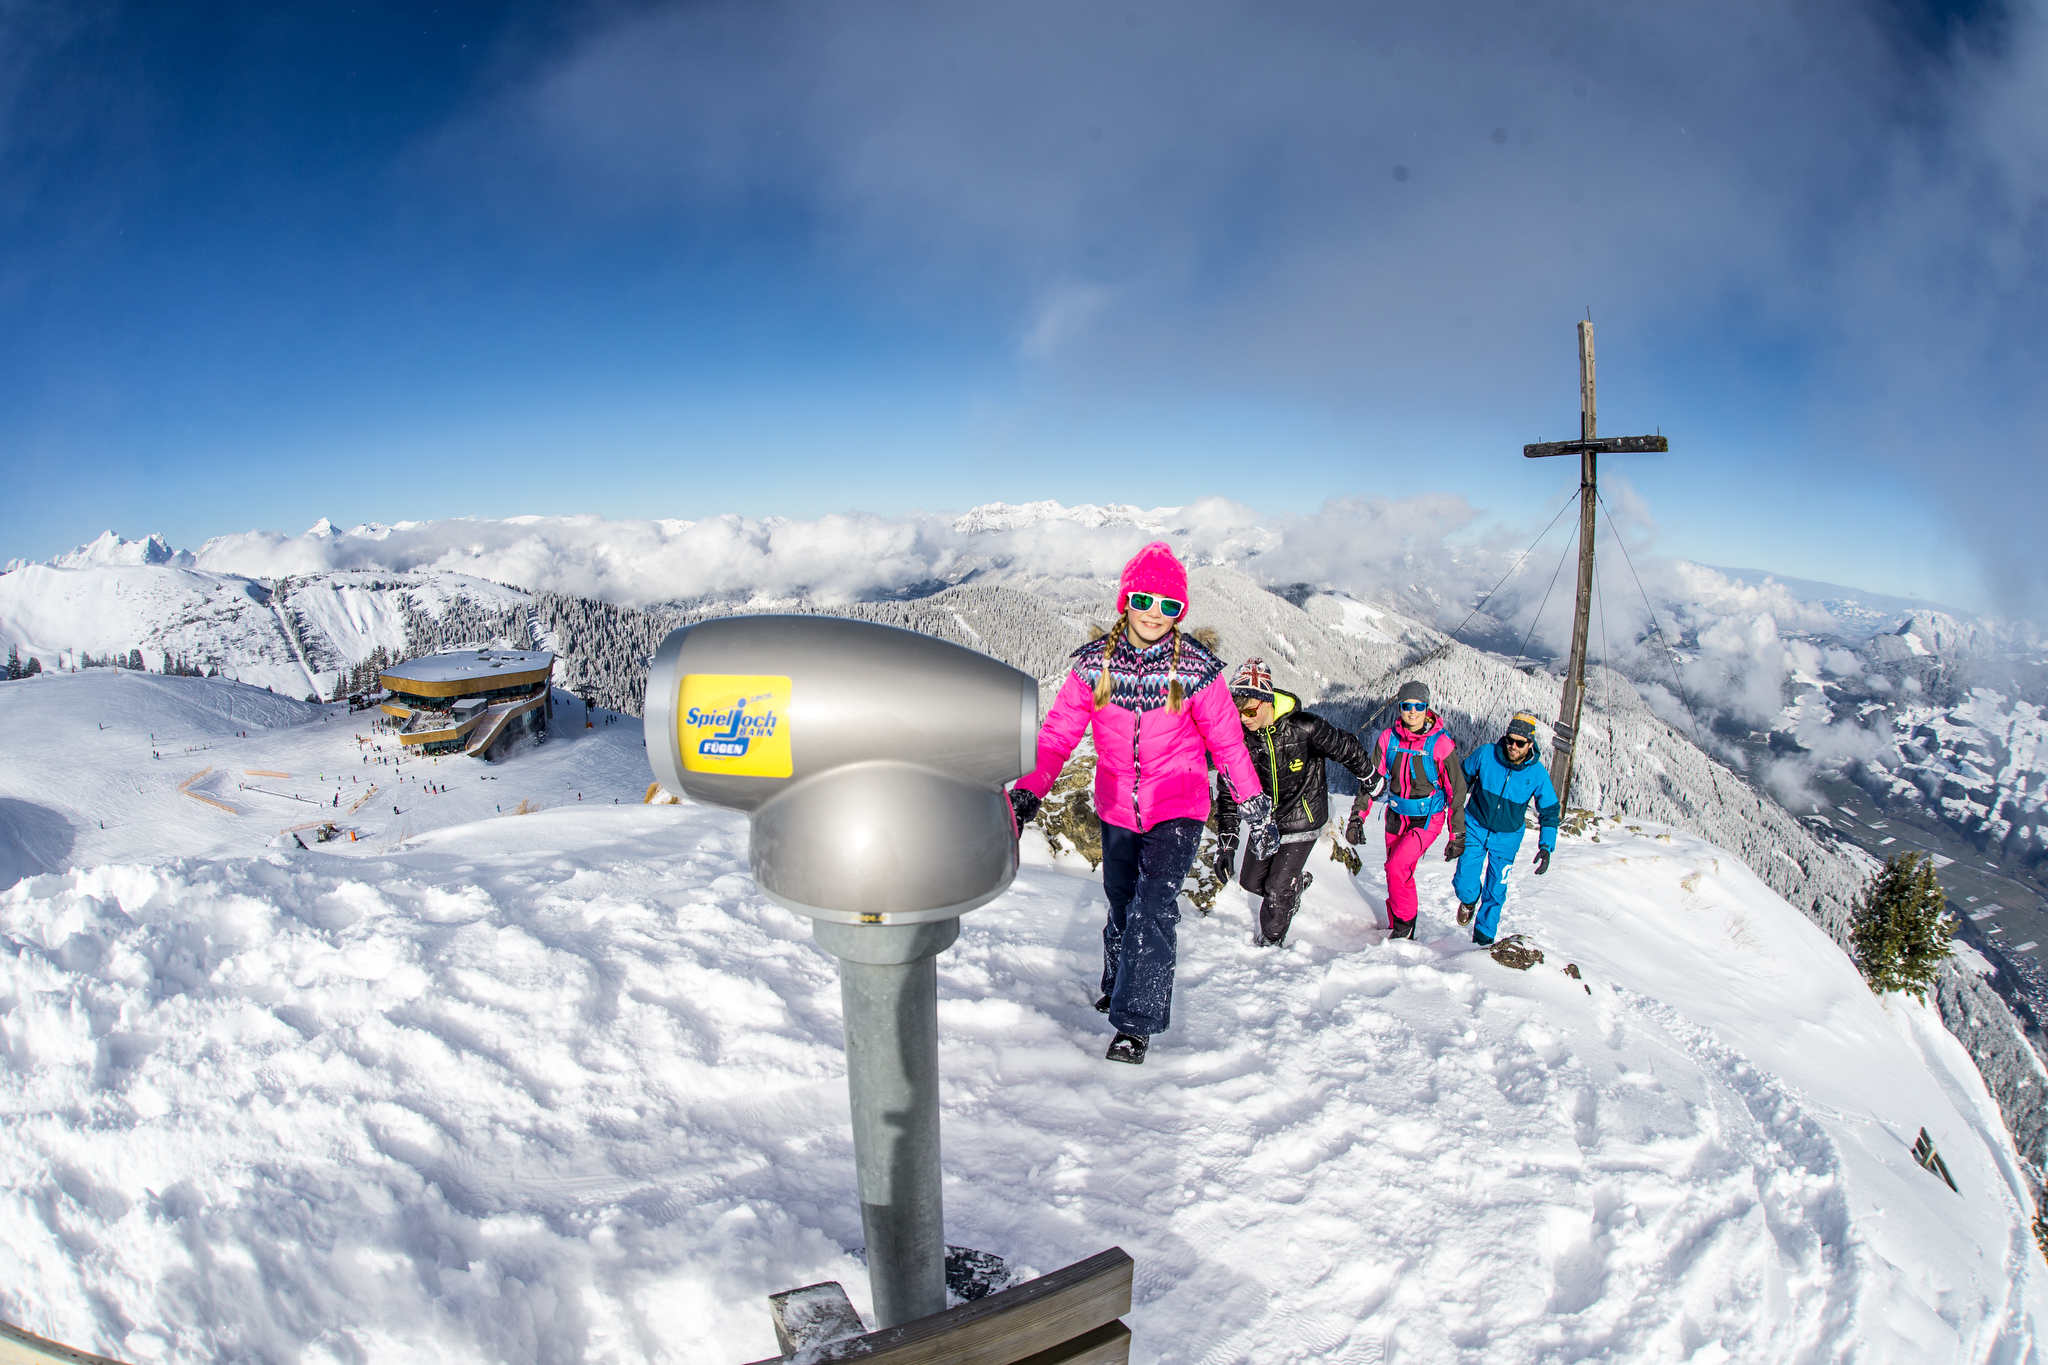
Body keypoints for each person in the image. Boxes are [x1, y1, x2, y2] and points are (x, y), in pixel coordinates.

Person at [1009, 542, 1272, 1065]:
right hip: (1117, 807)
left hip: (1179, 803)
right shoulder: (1093, 668)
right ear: (1125, 601)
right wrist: (1027, 793)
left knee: (1153, 908)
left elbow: (1227, 743)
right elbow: (1058, 736)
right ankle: (1117, 982)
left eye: (1169, 605)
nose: (1155, 613)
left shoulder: (1197, 670)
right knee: (1121, 902)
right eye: (1145, 600)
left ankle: (1135, 1022)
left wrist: (1253, 803)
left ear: (1181, 611)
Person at [1214, 657, 1377, 947]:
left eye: (1250, 710)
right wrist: (1227, 843)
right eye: (1238, 713)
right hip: (1265, 823)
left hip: (1303, 817)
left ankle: (1269, 944)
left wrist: (1369, 775)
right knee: (1251, 882)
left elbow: (1346, 746)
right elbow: (1229, 791)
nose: (1244, 718)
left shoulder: (1305, 727)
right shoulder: (1240, 739)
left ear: (1267, 701)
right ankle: (1293, 888)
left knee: (1276, 891)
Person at [1345, 680, 1468, 940]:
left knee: (1397, 867)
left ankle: (1404, 927)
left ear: (1427, 707)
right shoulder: (1388, 739)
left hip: (1426, 819)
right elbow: (1372, 780)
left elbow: (1456, 791)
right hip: (1395, 816)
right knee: (1395, 869)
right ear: (1399, 707)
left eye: (1419, 706)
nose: (1413, 711)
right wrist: (1357, 817)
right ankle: (1396, 921)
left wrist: (1457, 834)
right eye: (1407, 705)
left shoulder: (1441, 744)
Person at [1453, 711, 1561, 946]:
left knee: (1496, 890)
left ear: (1530, 744)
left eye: (1519, 743)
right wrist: (1454, 813)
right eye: (1510, 739)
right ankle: (1469, 900)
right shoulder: (1486, 754)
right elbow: (1461, 780)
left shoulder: (1538, 774)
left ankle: (1483, 940)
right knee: (1464, 882)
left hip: (1508, 838)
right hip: (1475, 827)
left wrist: (1546, 846)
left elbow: (1550, 810)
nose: (1513, 746)